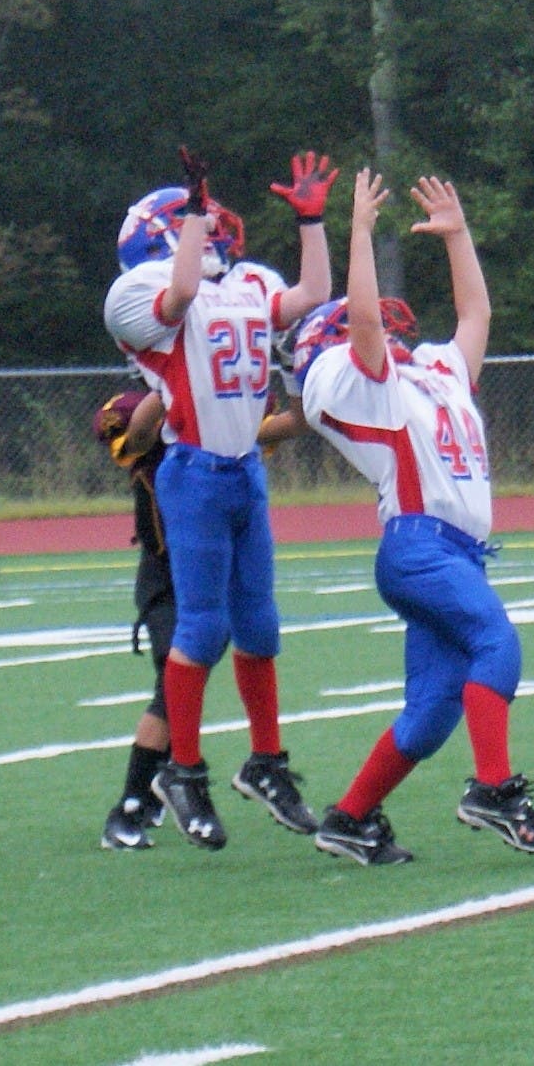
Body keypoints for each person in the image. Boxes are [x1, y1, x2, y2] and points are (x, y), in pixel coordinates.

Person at [293, 167, 534, 865]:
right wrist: (356, 234)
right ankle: (494, 789)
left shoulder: (434, 372)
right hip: (419, 546)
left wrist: (458, 235)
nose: (395, 322)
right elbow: (360, 326)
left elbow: (476, 316)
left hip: (453, 553)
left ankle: (350, 817)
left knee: (433, 709)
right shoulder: (360, 381)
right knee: (496, 642)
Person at [103, 145, 337, 850]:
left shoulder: (245, 283)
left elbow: (310, 295)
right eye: (199, 219)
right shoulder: (136, 292)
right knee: (201, 631)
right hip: (194, 472)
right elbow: (175, 299)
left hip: (242, 471)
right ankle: (183, 771)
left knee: (261, 627)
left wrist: (312, 222)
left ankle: (266, 762)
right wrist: (198, 219)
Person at [92, 387, 175, 850]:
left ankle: (170, 778)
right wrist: (172, 383)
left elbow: (270, 429)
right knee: (173, 684)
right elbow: (124, 429)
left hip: (210, 572)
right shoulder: (142, 407)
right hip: (166, 576)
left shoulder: (219, 405)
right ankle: (129, 804)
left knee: (186, 688)